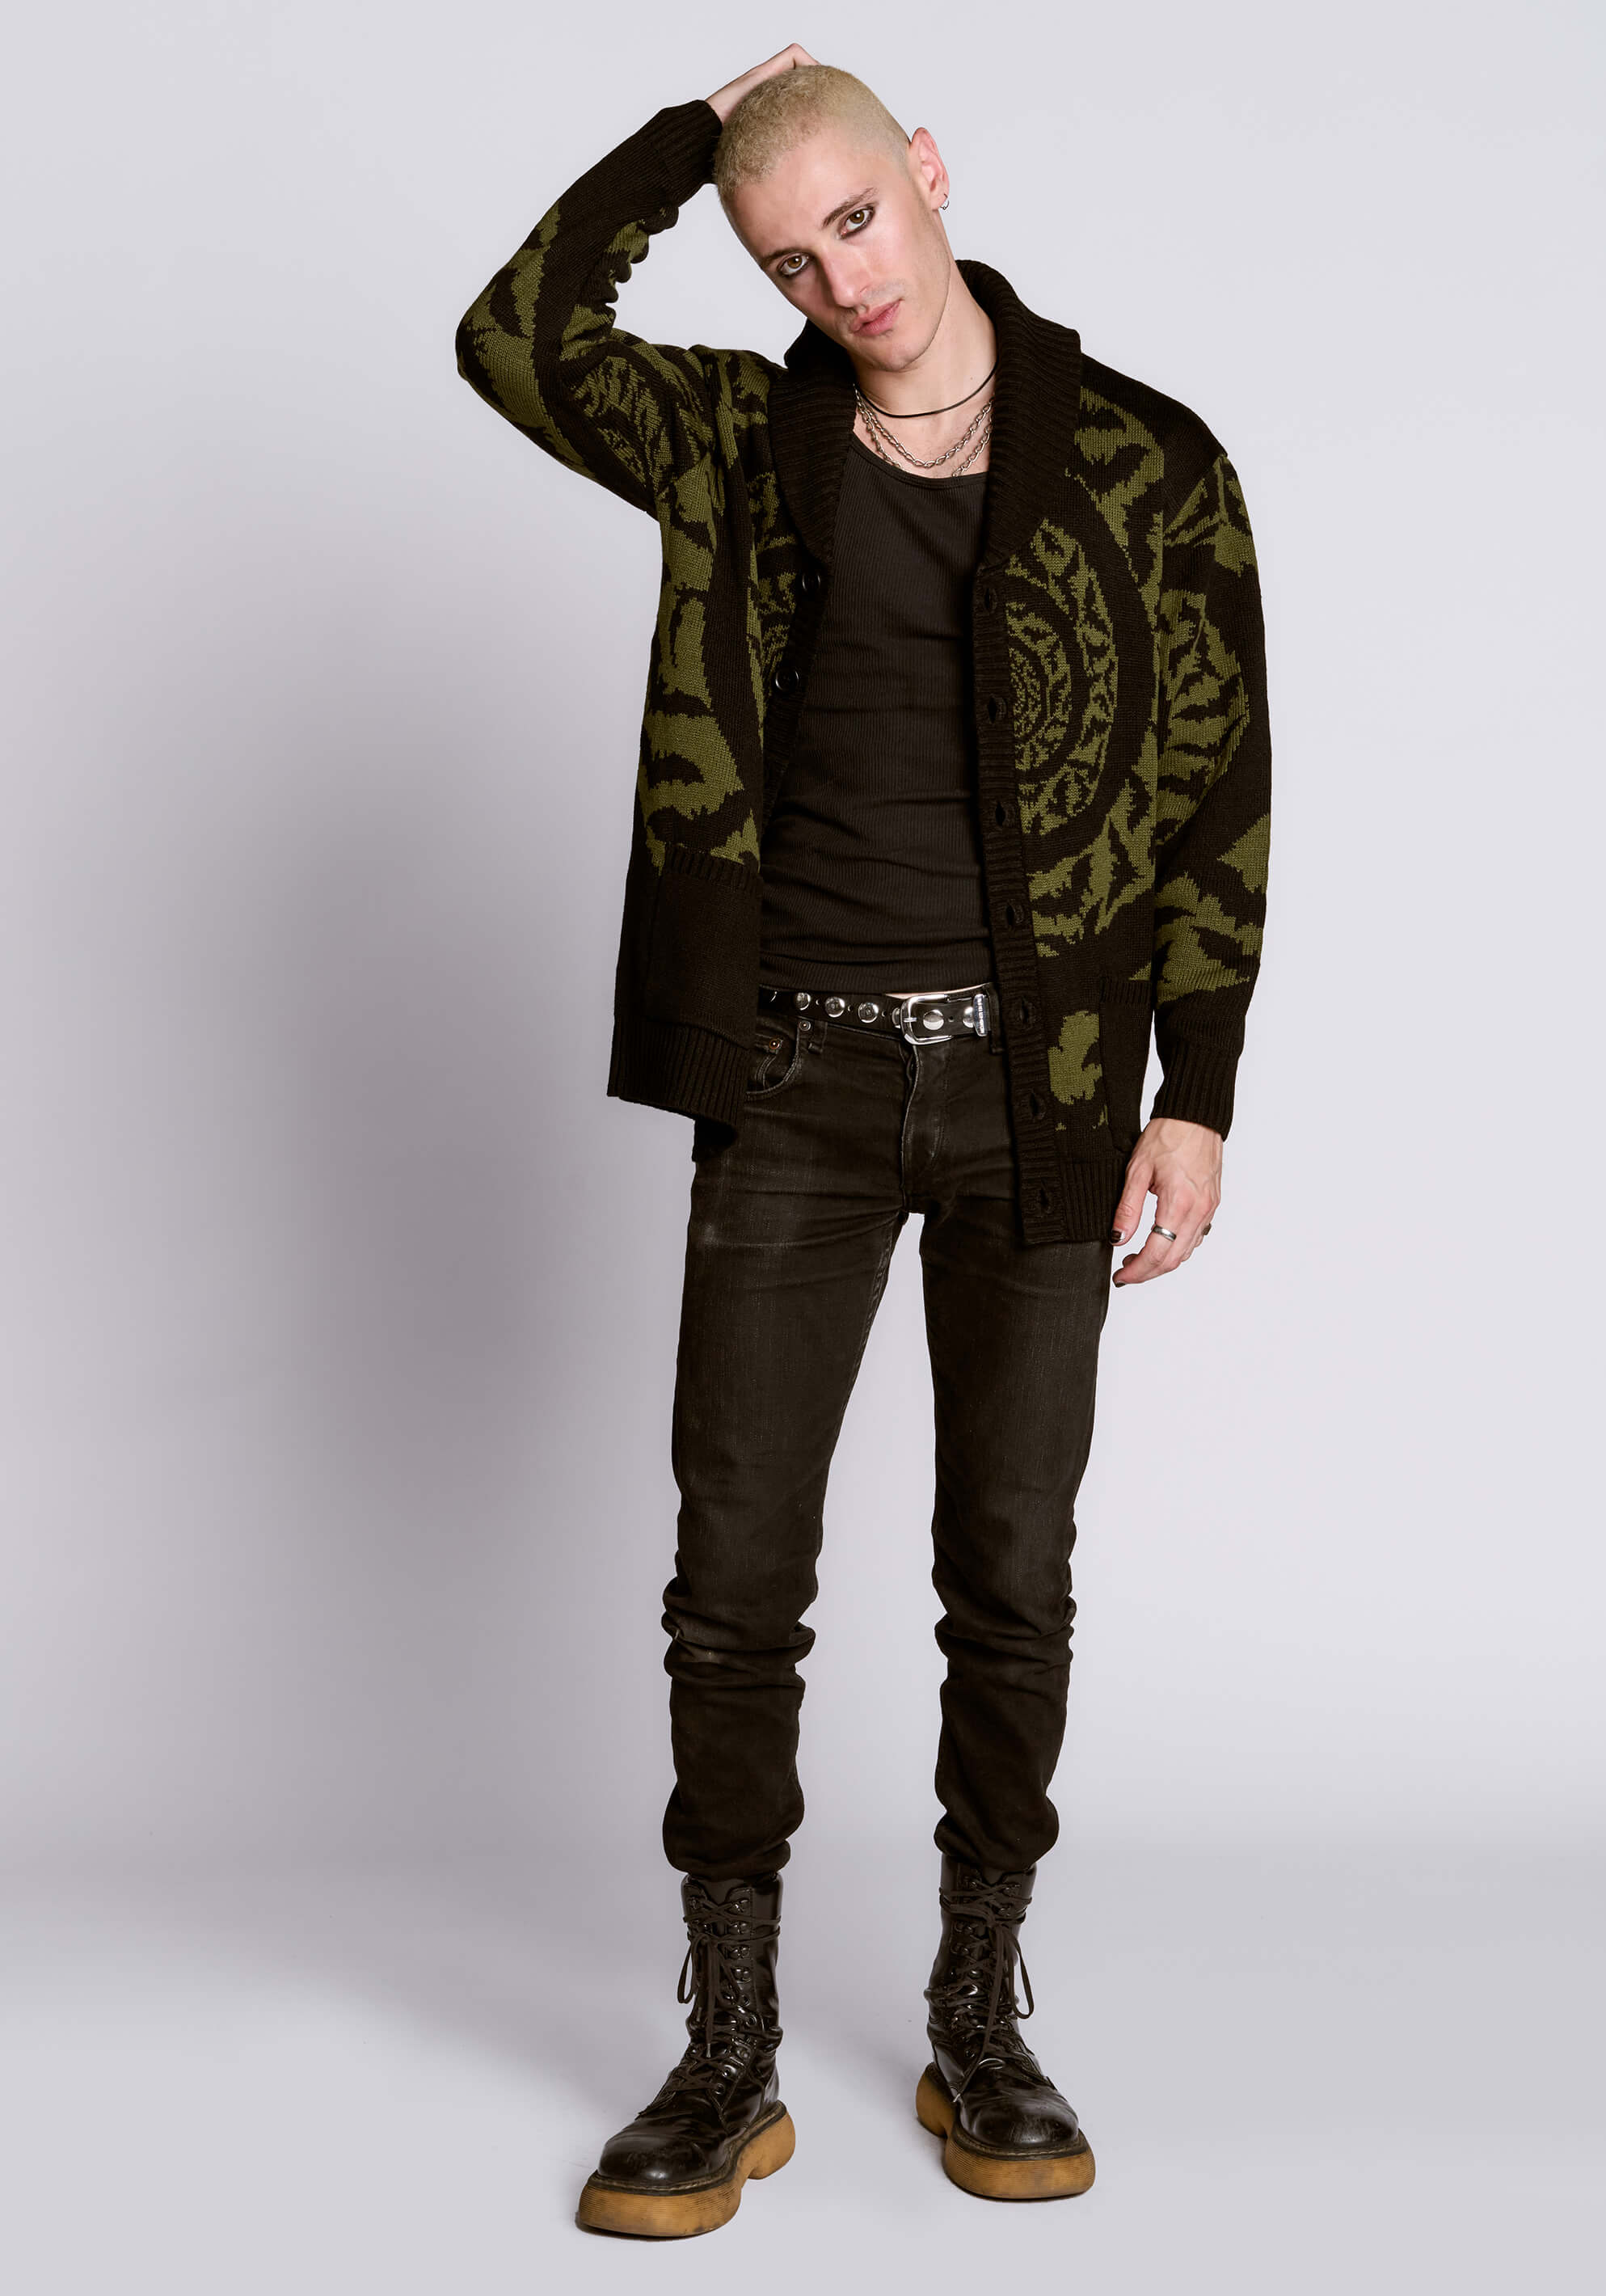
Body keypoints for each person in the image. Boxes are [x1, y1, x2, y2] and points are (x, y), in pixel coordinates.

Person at [455, 46, 1270, 2236]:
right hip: (794, 1085)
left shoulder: (1146, 460)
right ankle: (724, 2046)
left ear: (927, 173)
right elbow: (512, 339)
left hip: (1042, 1087)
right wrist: (677, 142)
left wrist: (1196, 1088)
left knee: (1010, 1569)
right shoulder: (738, 441)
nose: (841, 281)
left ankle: (977, 2012)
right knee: (733, 1577)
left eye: (856, 221)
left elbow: (1218, 784)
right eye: (786, 258)